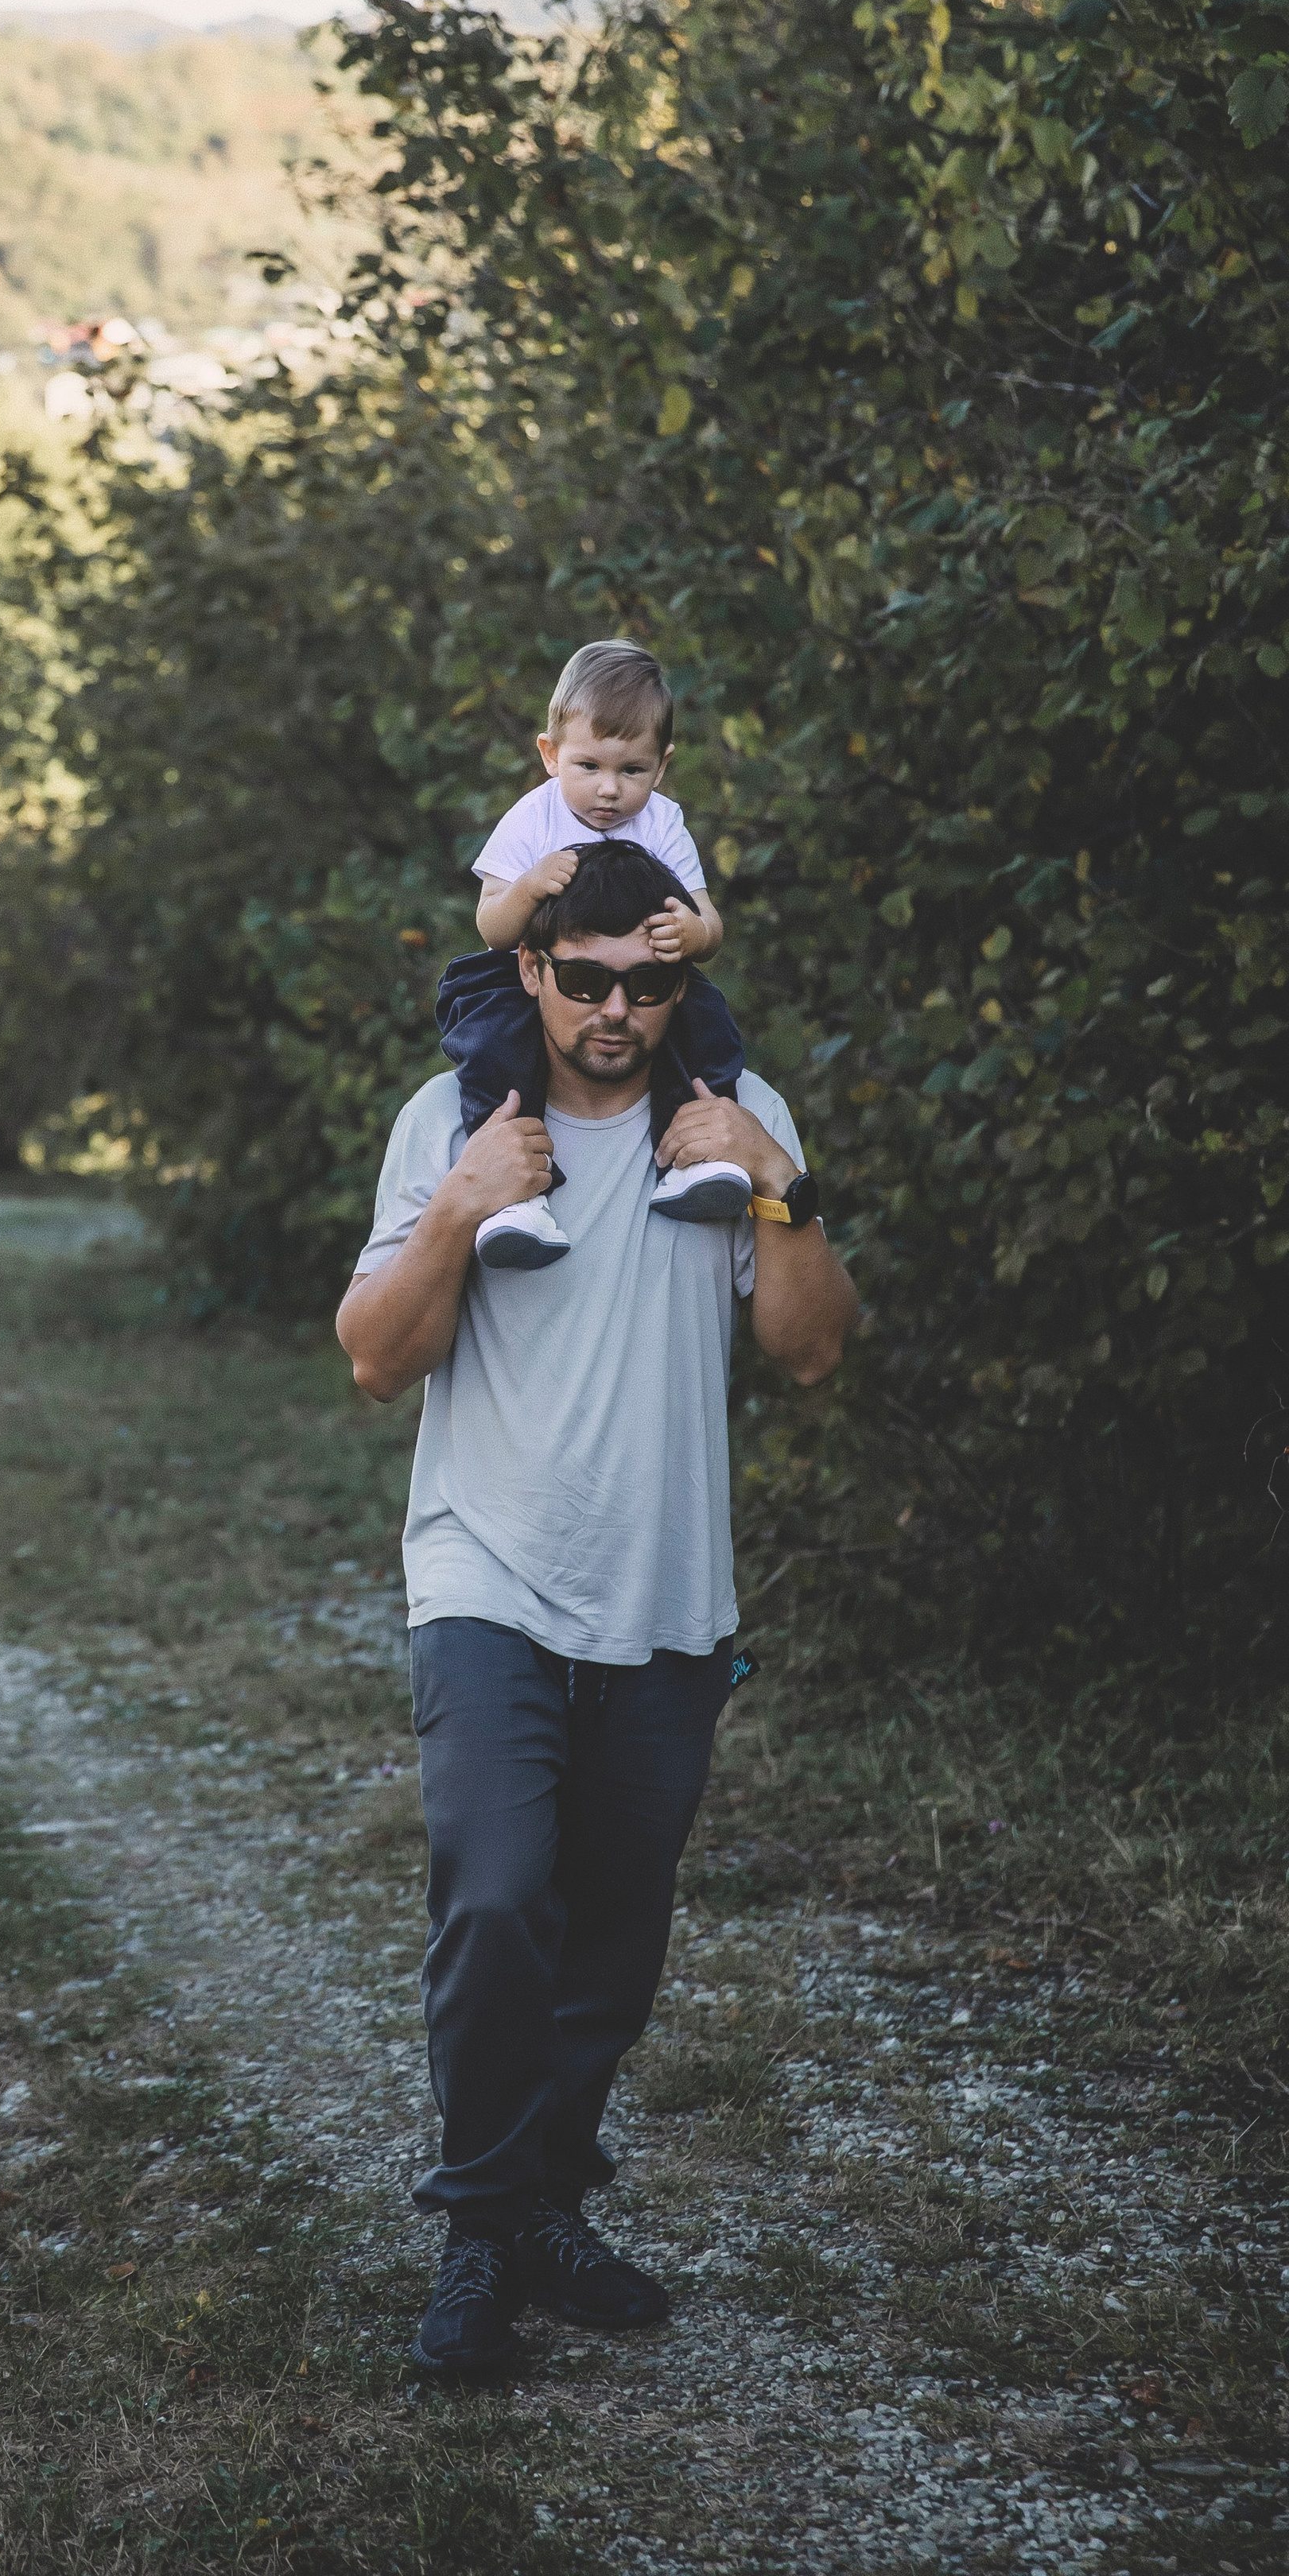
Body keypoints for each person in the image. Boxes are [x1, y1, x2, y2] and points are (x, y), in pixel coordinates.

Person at [335, 839, 858, 2384]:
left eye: (648, 981)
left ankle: (546, 2198)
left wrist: (782, 1190)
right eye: (583, 979)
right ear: (529, 970)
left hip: (665, 1602)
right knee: (498, 1898)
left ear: (681, 978)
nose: (614, 1010)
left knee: (611, 1950)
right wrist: (454, 1214)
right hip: (485, 1580)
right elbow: (373, 1361)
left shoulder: (731, 1127)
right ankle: (481, 2238)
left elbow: (812, 1351)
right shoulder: (450, 1120)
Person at [441, 638, 750, 1269]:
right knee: (493, 1046)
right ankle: (516, 1194)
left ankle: (696, 1156)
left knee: (709, 1028)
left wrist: (694, 937)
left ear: (660, 767)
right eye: (589, 767)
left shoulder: (662, 823)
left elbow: (708, 922)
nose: (609, 791)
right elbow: (492, 928)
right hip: (534, 972)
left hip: (648, 975)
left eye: (631, 771)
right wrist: (528, 886)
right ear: (551, 756)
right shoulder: (532, 819)